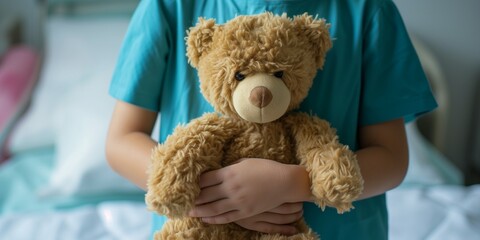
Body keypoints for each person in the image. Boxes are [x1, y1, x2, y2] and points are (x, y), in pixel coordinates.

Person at [105, 0, 437, 239]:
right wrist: (215, 198)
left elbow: (392, 158)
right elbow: (121, 141)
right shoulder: (169, 7)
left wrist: (293, 185)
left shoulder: (368, 10)